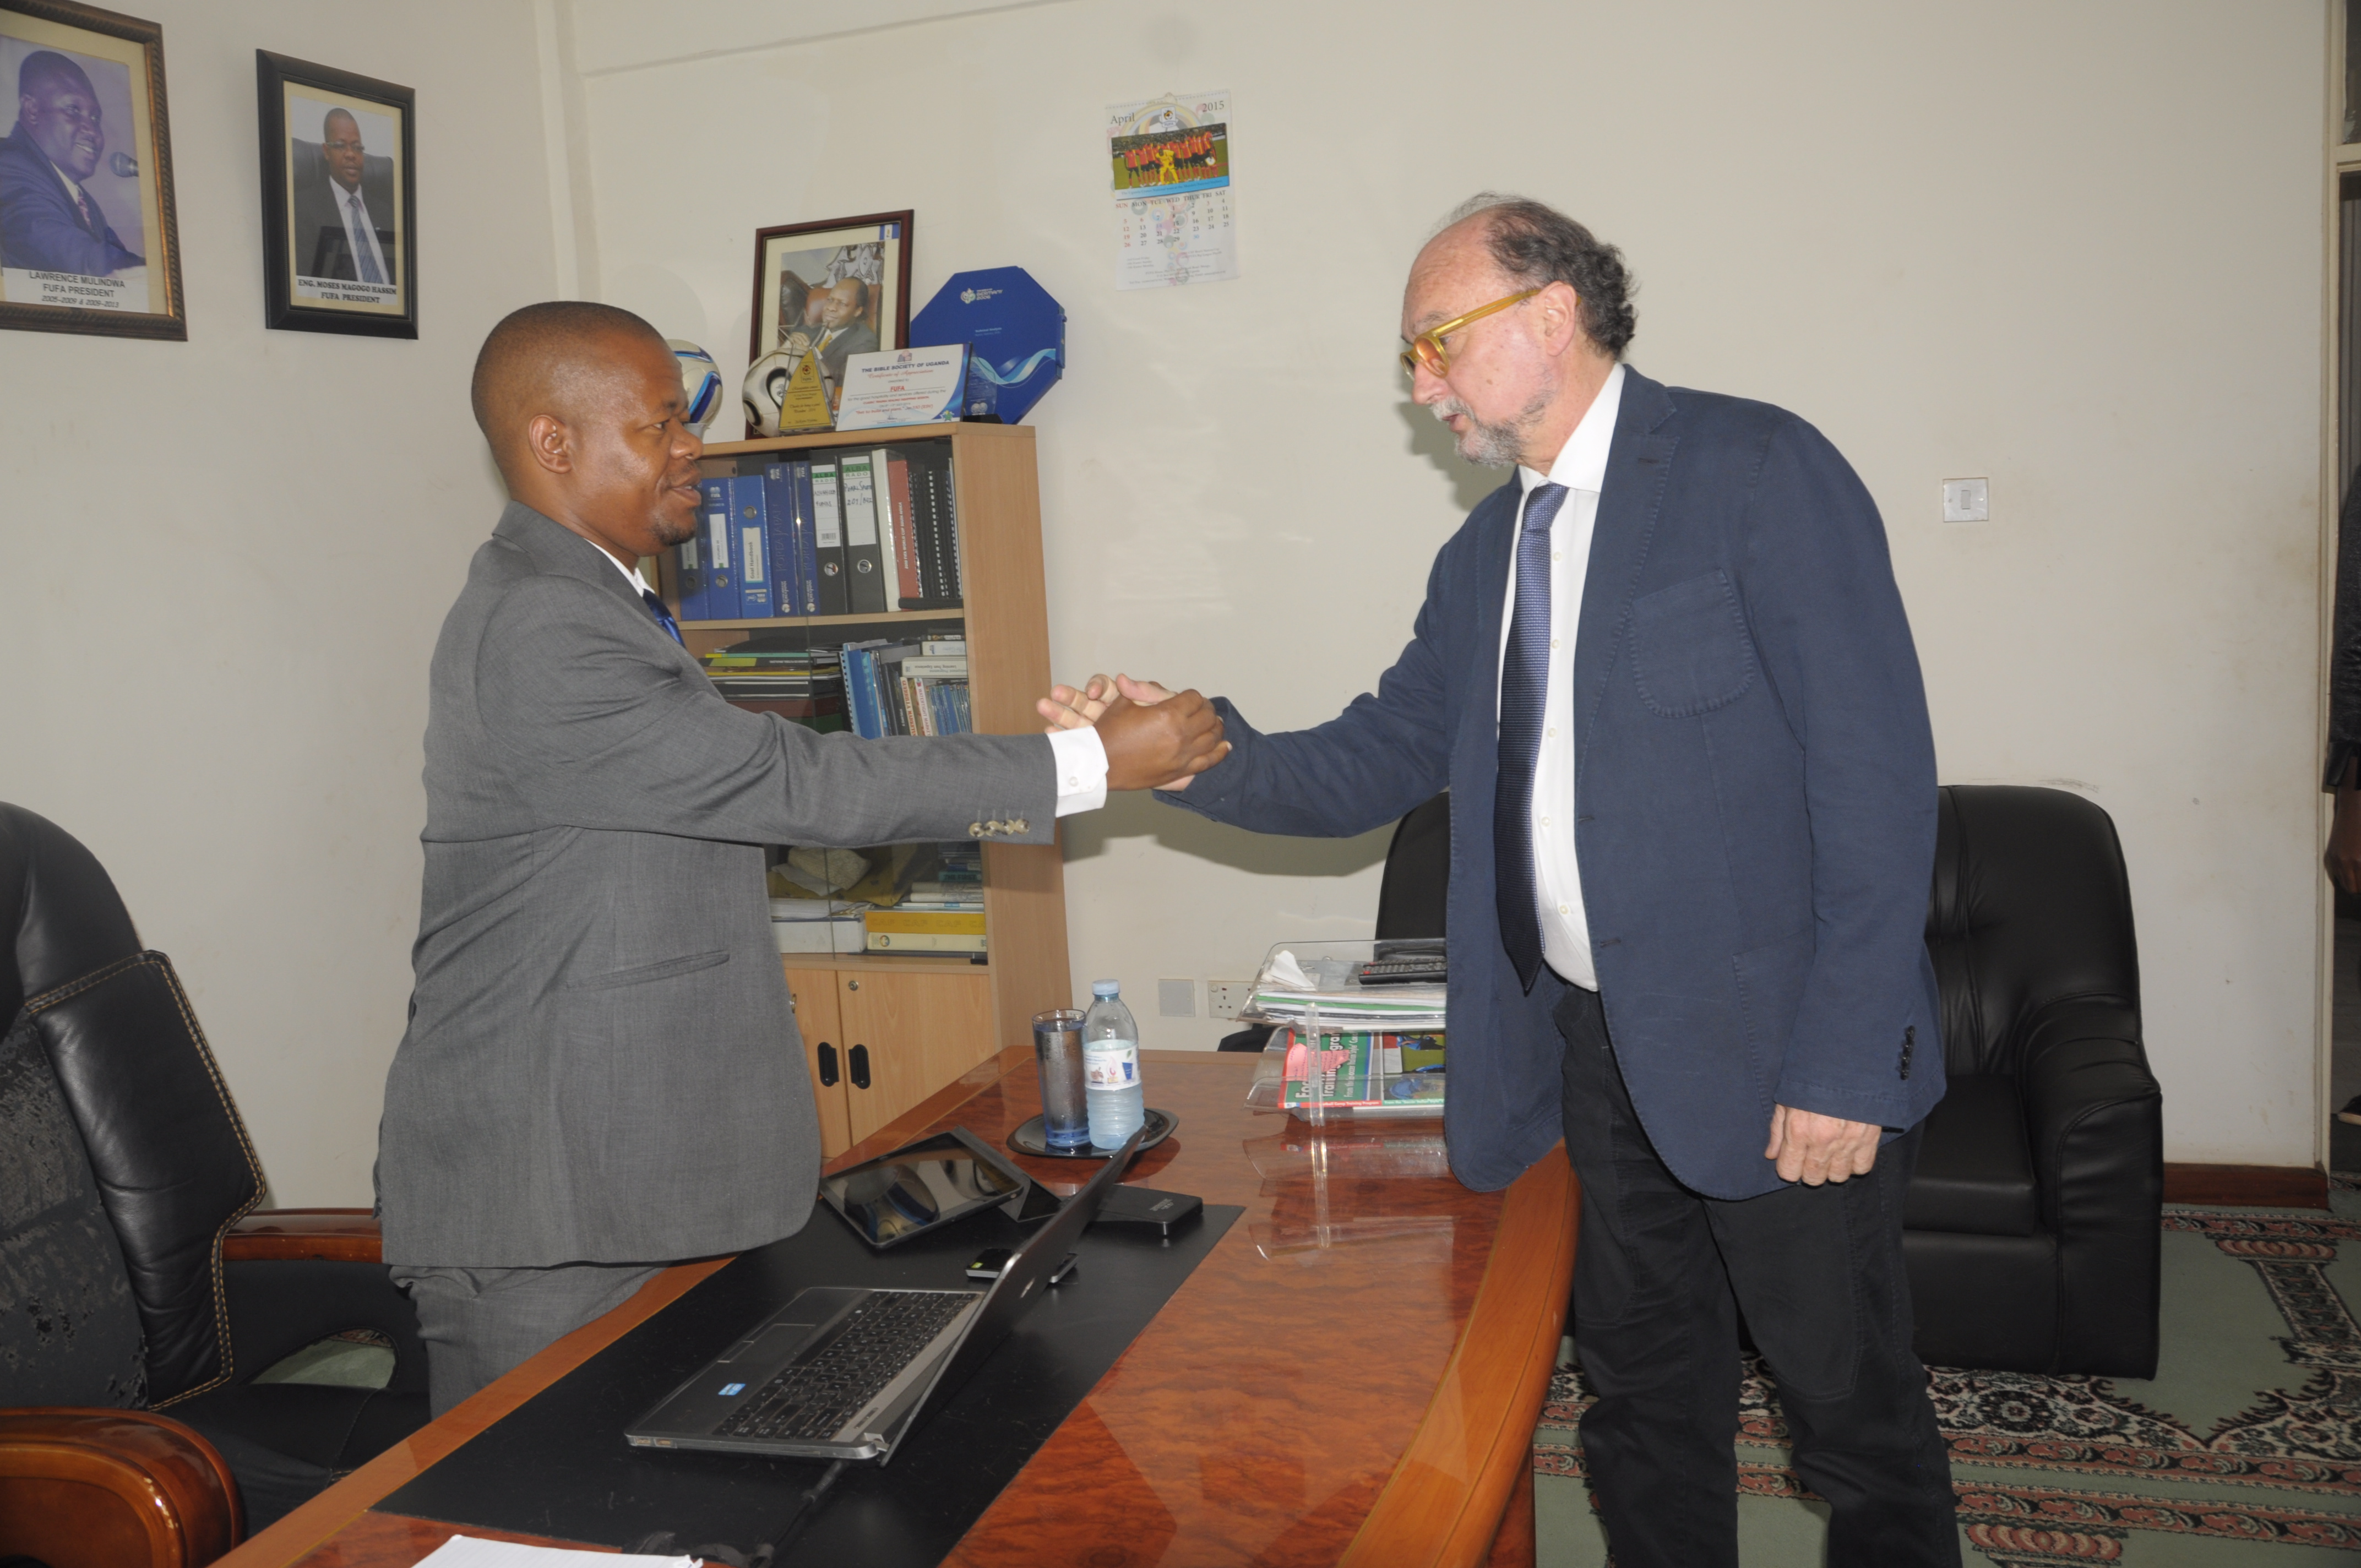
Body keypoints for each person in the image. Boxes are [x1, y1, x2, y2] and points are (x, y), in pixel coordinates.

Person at [1042, 195, 1957, 1567]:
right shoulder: (1484, 557)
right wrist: (1180, 751)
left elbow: (1875, 784)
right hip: (1594, 1050)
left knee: (1851, 1418)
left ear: (1550, 314)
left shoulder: (1757, 469)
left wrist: (1842, 1063)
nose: (1421, 387)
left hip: (1777, 1055)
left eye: (1438, 342)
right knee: (1641, 1404)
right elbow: (1371, 757)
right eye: (1409, 357)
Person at [375, 300, 1226, 1416]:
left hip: (634, 1177)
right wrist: (1089, 759)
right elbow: (796, 783)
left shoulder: (592, 602)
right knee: (532, 1497)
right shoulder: (542, 624)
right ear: (553, 442)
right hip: (552, 1202)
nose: (692, 447)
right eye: (660, 423)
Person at [0, 49, 141, 276]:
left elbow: (118, 257)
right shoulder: (7, 165)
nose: (92, 131)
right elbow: (68, 250)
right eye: (73, 110)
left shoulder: (84, 201)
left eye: (95, 118)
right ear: (32, 110)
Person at [291, 106, 395, 284]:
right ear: (326, 151)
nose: (351, 154)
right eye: (340, 146)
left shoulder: (387, 213)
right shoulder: (302, 208)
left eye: (357, 147)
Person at [784, 276, 880, 384]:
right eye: (830, 300)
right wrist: (783, 352)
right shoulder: (805, 332)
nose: (831, 308)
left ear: (858, 311)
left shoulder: (864, 341)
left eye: (842, 304)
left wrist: (810, 357)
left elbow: (850, 380)